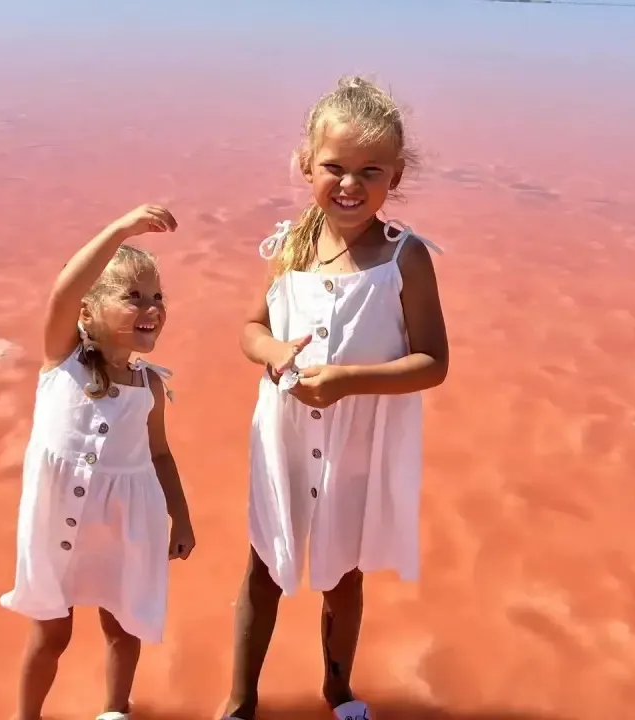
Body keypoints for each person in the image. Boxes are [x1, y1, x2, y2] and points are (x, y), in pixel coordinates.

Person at [223, 76, 450, 720]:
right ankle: (240, 699)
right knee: (263, 567)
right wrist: (273, 353)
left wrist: (349, 380)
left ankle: (338, 690)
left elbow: (433, 363)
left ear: (395, 175)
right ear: (306, 165)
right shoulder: (290, 245)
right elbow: (251, 328)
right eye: (334, 167)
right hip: (286, 439)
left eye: (370, 171)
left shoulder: (405, 258)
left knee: (344, 576)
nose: (350, 184)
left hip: (357, 449)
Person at [0, 204, 196, 720]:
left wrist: (181, 517)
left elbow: (160, 453)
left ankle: (114, 710)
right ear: (87, 312)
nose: (152, 307)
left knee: (122, 625)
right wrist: (120, 230)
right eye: (133, 296)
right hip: (57, 517)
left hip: (124, 522)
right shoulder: (62, 361)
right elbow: (64, 290)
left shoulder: (149, 384)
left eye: (158, 297)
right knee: (52, 632)